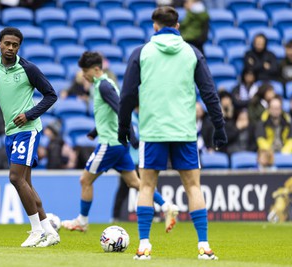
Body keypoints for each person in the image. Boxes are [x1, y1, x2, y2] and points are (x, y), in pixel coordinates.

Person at [118, 7, 227, 260]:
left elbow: (127, 96)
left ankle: (144, 245)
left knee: (146, 185)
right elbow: (209, 93)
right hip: (184, 131)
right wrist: (219, 128)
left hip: (153, 131)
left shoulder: (142, 52)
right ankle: (204, 246)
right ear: (177, 26)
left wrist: (124, 126)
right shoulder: (192, 52)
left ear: (154, 26)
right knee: (193, 187)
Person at [61, 52, 179, 233]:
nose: (83, 76)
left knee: (85, 180)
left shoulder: (103, 87)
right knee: (135, 183)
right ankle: (166, 206)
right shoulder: (107, 84)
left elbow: (120, 110)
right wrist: (95, 131)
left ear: (96, 69)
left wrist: (132, 137)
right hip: (118, 144)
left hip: (110, 144)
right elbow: (109, 114)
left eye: (85, 71)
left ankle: (82, 221)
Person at [0, 27, 59, 247]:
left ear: (19, 46)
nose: (10, 48)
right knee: (26, 183)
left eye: (15, 45)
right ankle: (50, 232)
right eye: (7, 44)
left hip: (28, 130)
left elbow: (51, 95)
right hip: (11, 132)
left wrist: (29, 114)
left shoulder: (28, 68)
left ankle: (37, 230)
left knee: (15, 178)